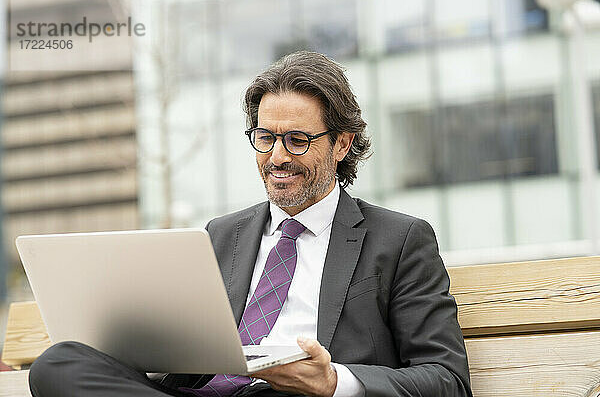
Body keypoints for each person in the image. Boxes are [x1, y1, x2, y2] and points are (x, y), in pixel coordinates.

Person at [28, 51, 472, 397]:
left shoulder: (399, 240)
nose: (277, 157)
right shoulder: (220, 235)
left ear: (341, 144)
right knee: (61, 362)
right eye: (265, 137)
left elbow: (447, 380)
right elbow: (181, 363)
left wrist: (333, 381)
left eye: (297, 140)